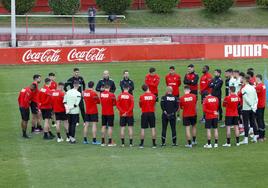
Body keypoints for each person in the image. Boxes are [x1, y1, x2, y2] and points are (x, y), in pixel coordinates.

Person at [240, 75, 259, 144]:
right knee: (253, 122)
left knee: (245, 123)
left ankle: (246, 139)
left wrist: (251, 105)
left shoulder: (243, 89)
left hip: (246, 108)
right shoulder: (253, 88)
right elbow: (256, 98)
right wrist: (254, 106)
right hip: (252, 108)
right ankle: (255, 137)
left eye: (243, 79)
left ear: (245, 80)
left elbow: (246, 99)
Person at [139, 84, 157, 148]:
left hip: (144, 113)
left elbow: (140, 105)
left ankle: (141, 144)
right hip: (151, 113)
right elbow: (154, 104)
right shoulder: (153, 96)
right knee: (153, 128)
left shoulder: (141, 97)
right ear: (148, 88)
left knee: (143, 128)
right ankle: (154, 144)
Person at [255, 74, 266, 141]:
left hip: (259, 105)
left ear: (258, 78)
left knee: (259, 120)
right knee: (261, 119)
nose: (255, 79)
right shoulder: (263, 85)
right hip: (262, 104)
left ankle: (261, 137)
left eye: (256, 78)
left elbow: (254, 93)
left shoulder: (258, 86)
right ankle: (263, 135)